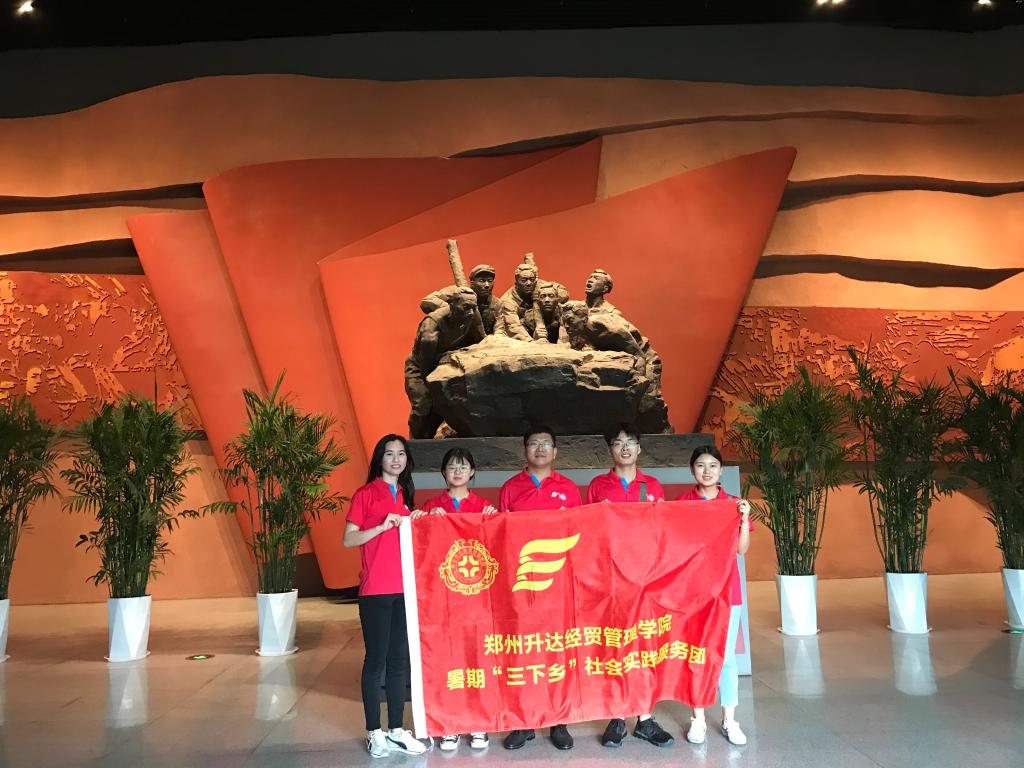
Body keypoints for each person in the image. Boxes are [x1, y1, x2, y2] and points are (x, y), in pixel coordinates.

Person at [586, 423, 674, 748]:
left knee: (645, 646)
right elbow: (589, 532)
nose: (624, 448)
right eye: (618, 442)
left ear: (639, 448)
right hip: (610, 580)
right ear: (610, 449)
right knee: (615, 646)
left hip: (645, 580)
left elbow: (663, 532)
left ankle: (645, 719)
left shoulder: (652, 486)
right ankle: (617, 718)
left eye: (630, 442)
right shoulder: (597, 486)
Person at [343, 434, 428, 759]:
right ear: (380, 459)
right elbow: (349, 539)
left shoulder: (405, 495)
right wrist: (380, 527)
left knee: (398, 661)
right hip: (375, 591)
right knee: (376, 661)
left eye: (401, 454)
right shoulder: (365, 494)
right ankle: (373, 732)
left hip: (404, 590)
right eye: (389, 454)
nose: (395, 459)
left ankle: (395, 730)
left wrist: (417, 523)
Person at [498, 425, 582, 752]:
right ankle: (524, 723)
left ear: (555, 451)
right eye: (534, 443)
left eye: (546, 443)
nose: (540, 448)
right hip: (521, 586)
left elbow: (580, 535)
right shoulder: (510, 488)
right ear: (525, 450)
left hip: (558, 586)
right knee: (523, 652)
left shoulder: (569, 489)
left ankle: (559, 722)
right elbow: (501, 537)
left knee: (557, 652)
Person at [412, 447, 498, 751]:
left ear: (472, 472)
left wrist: (495, 521)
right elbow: (422, 547)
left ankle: (478, 722)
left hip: (477, 597)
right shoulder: (433, 505)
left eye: (463, 467)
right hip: (443, 596)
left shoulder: (484, 506)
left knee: (477, 657)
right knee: (448, 658)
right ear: (443, 473)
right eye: (452, 467)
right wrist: (423, 520)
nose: (458, 472)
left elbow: (497, 544)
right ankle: (449, 724)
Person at [676, 444, 752, 747]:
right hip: (694, 591)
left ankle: (729, 719)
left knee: (727, 657)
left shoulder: (732, 504)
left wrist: (744, 519)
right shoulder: (683, 504)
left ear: (721, 471)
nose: (706, 471)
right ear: (692, 470)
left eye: (712, 466)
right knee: (697, 654)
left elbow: (741, 549)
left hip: (727, 590)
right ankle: (698, 718)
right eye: (700, 465)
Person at [404, 287, 480, 438]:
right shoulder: (431, 328)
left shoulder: (471, 313)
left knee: (450, 408)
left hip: (447, 365)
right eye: (466, 307)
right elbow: (426, 367)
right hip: (420, 368)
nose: (471, 312)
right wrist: (434, 387)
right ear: (452, 306)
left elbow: (481, 340)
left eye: (473, 307)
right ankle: (415, 443)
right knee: (423, 407)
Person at [420, 264, 500, 336]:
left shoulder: (497, 305)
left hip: (481, 344)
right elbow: (427, 301)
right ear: (472, 282)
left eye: (490, 281)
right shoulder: (457, 292)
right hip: (454, 342)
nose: (487, 285)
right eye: (482, 281)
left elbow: (500, 331)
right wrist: (453, 309)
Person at [495, 263, 539, 341]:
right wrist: (530, 342)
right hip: (523, 334)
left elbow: (560, 291)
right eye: (524, 280)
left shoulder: (541, 287)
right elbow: (513, 326)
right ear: (517, 282)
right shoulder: (507, 301)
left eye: (532, 279)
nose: (529, 283)